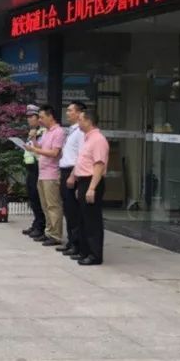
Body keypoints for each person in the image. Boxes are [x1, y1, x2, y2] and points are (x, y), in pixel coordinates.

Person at [69, 109, 109, 266]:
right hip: (84, 181)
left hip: (93, 181)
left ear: (88, 121)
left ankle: (95, 255)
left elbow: (99, 165)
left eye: (80, 119)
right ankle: (85, 251)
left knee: (92, 220)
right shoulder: (87, 139)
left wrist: (92, 188)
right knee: (83, 219)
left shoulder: (98, 139)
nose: (78, 122)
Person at [26, 105, 66, 248]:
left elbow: (54, 153)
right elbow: (40, 148)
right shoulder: (47, 132)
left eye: (42, 117)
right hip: (42, 173)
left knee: (53, 205)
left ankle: (55, 234)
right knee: (44, 205)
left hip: (52, 173)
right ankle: (48, 232)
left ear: (51, 116)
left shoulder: (58, 132)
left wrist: (35, 149)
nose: (40, 120)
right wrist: (34, 140)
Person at [59, 101, 87, 257]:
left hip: (73, 172)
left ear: (79, 113)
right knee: (68, 210)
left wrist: (72, 175)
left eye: (70, 110)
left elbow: (81, 156)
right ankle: (71, 241)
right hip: (65, 171)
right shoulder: (72, 130)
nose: (67, 113)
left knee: (74, 211)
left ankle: (77, 244)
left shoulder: (81, 132)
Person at [22, 105, 46, 240]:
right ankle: (36, 223)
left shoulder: (42, 132)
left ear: (39, 118)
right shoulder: (32, 132)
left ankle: (41, 226)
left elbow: (41, 151)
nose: (29, 119)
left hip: (39, 168)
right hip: (30, 168)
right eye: (28, 117)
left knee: (38, 198)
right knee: (32, 198)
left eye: (32, 117)